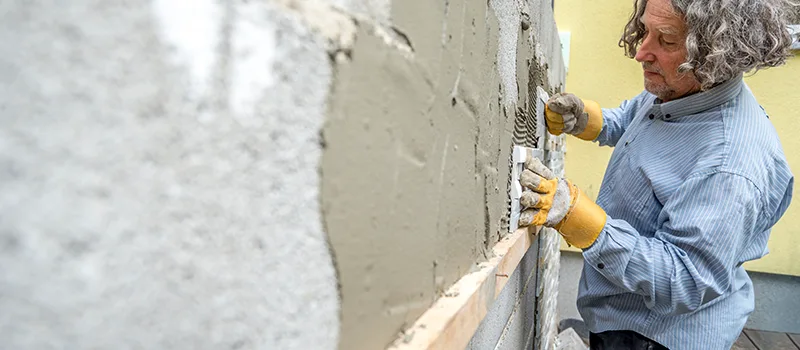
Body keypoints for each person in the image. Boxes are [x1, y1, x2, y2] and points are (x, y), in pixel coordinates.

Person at [516, 0, 797, 348]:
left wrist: (578, 220)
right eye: (645, 30)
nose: (642, 52)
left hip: (655, 337)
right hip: (624, 313)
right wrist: (589, 119)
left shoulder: (729, 165)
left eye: (665, 40)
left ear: (716, 53)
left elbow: (683, 280)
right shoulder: (683, 86)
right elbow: (640, 119)